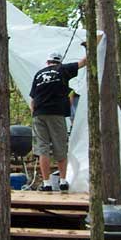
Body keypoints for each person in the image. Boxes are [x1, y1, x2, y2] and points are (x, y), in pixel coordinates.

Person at [29, 51, 86, 191]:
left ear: (47, 62)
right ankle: (63, 181)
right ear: (59, 62)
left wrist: (35, 114)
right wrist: (91, 46)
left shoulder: (38, 74)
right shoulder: (63, 69)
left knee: (43, 149)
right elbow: (83, 62)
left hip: (39, 114)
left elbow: (33, 99)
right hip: (56, 113)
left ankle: (47, 183)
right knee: (60, 146)